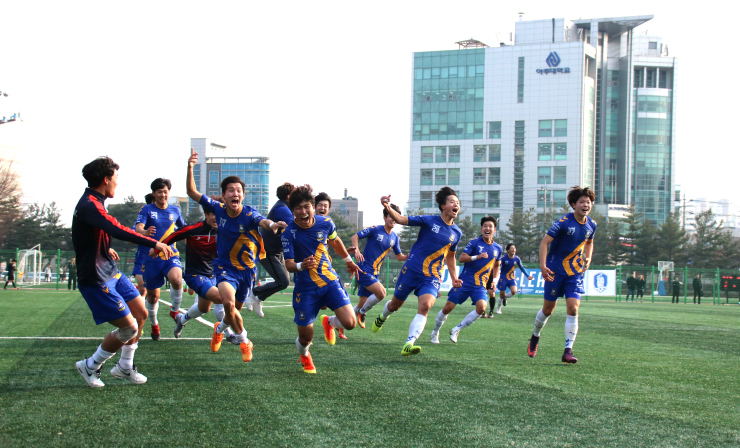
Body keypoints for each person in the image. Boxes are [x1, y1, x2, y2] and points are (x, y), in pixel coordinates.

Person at [73, 156, 173, 387]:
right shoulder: (90, 204)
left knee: (141, 314)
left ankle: (124, 368)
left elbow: (91, 233)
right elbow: (117, 229)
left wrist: (104, 247)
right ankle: (90, 366)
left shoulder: (94, 203)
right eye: (116, 178)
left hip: (111, 272)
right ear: (106, 179)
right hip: (96, 278)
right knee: (128, 327)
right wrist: (154, 243)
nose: (118, 183)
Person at [186, 148, 286, 362]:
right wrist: (190, 167)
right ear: (224, 195)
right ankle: (245, 340)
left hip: (247, 272)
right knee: (228, 305)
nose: (235, 193)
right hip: (225, 268)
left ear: (243, 194)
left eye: (238, 190)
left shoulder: (249, 213)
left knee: (233, 314)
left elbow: (263, 221)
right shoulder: (218, 209)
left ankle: (219, 330)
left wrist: (273, 225)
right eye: (230, 190)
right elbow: (192, 193)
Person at [371, 187, 463, 356]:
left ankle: (409, 342)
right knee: (394, 306)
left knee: (426, 305)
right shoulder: (429, 221)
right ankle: (382, 317)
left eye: (458, 203)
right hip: (411, 271)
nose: (456, 205)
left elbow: (451, 256)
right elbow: (399, 218)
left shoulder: (457, 233)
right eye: (452, 202)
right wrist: (386, 205)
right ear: (443, 206)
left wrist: (454, 278)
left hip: (432, 277)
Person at [282, 185, 361, 373]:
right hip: (306, 289)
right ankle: (305, 355)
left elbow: (336, 241)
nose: (303, 211)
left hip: (329, 282)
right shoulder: (288, 232)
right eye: (298, 208)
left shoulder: (325, 223)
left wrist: (349, 260)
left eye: (306, 206)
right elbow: (289, 264)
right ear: (293, 211)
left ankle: (329, 322)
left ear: (312, 206)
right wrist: (302, 265)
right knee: (305, 338)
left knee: (350, 323)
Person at [528, 186, 597, 364]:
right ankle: (535, 336)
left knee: (573, 308)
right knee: (548, 310)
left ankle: (568, 351)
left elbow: (589, 242)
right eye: (582, 202)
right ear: (574, 204)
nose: (585, 205)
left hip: (574, 273)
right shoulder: (563, 222)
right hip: (555, 271)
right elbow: (544, 243)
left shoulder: (591, 224)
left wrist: (588, 257)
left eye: (588, 202)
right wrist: (542, 266)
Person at [154, 204, 225, 340]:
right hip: (195, 275)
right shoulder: (193, 229)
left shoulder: (224, 231)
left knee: (203, 308)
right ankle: (233, 334)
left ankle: (182, 320)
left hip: (214, 274)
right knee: (221, 298)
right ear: (206, 214)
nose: (217, 218)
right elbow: (173, 235)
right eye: (214, 214)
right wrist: (157, 248)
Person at [430, 216, 502, 343]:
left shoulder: (498, 248)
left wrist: (494, 281)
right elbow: (462, 258)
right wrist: (477, 257)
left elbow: (497, 265)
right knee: (447, 308)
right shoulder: (474, 242)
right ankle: (435, 332)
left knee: (481, 308)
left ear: (494, 230)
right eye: (485, 226)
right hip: (465, 281)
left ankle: (456, 329)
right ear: (481, 229)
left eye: (490, 226)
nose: (487, 228)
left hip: (480, 285)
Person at [135, 179, 186, 341]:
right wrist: (144, 232)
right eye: (159, 192)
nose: (163, 194)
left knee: (177, 280)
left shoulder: (175, 210)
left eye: (165, 191)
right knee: (153, 297)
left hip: (170, 255)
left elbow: (184, 230)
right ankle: (154, 324)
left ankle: (175, 310)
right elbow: (138, 228)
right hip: (151, 258)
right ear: (154, 194)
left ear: (168, 193)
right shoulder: (147, 209)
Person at [352, 204, 408, 331]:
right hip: (364, 269)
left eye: (395, 217)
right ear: (384, 217)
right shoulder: (375, 229)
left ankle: (333, 322)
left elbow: (399, 256)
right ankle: (362, 312)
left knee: (361, 303)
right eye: (390, 216)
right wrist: (356, 250)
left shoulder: (395, 237)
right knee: (382, 293)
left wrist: (407, 257)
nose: (393, 219)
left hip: (374, 273)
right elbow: (355, 236)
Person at [311, 191, 356, 340]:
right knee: (323, 306)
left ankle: (331, 321)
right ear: (314, 207)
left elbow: (333, 244)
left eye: (325, 206)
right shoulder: (304, 223)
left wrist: (345, 256)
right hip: (308, 272)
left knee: (348, 320)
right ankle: (329, 321)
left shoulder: (328, 223)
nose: (323, 208)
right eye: (320, 205)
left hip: (326, 270)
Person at [247, 183, 295, 318]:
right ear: (288, 196)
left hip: (277, 251)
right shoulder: (282, 209)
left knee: (283, 282)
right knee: (283, 281)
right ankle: (254, 292)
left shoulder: (287, 207)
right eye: (295, 194)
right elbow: (294, 226)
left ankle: (258, 298)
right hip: (267, 250)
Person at [494, 244, 534, 315]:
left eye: (514, 248)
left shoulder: (517, 258)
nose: (514, 250)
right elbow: (497, 266)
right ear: (508, 250)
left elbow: (522, 268)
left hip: (511, 278)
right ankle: (499, 308)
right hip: (503, 278)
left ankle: (504, 298)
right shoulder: (503, 258)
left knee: (514, 291)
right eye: (512, 248)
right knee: (502, 294)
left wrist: (528, 276)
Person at [131, 194, 155, 297]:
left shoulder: (165, 218)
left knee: (153, 292)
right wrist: (143, 233)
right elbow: (130, 238)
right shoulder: (141, 220)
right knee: (142, 289)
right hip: (143, 257)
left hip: (159, 257)